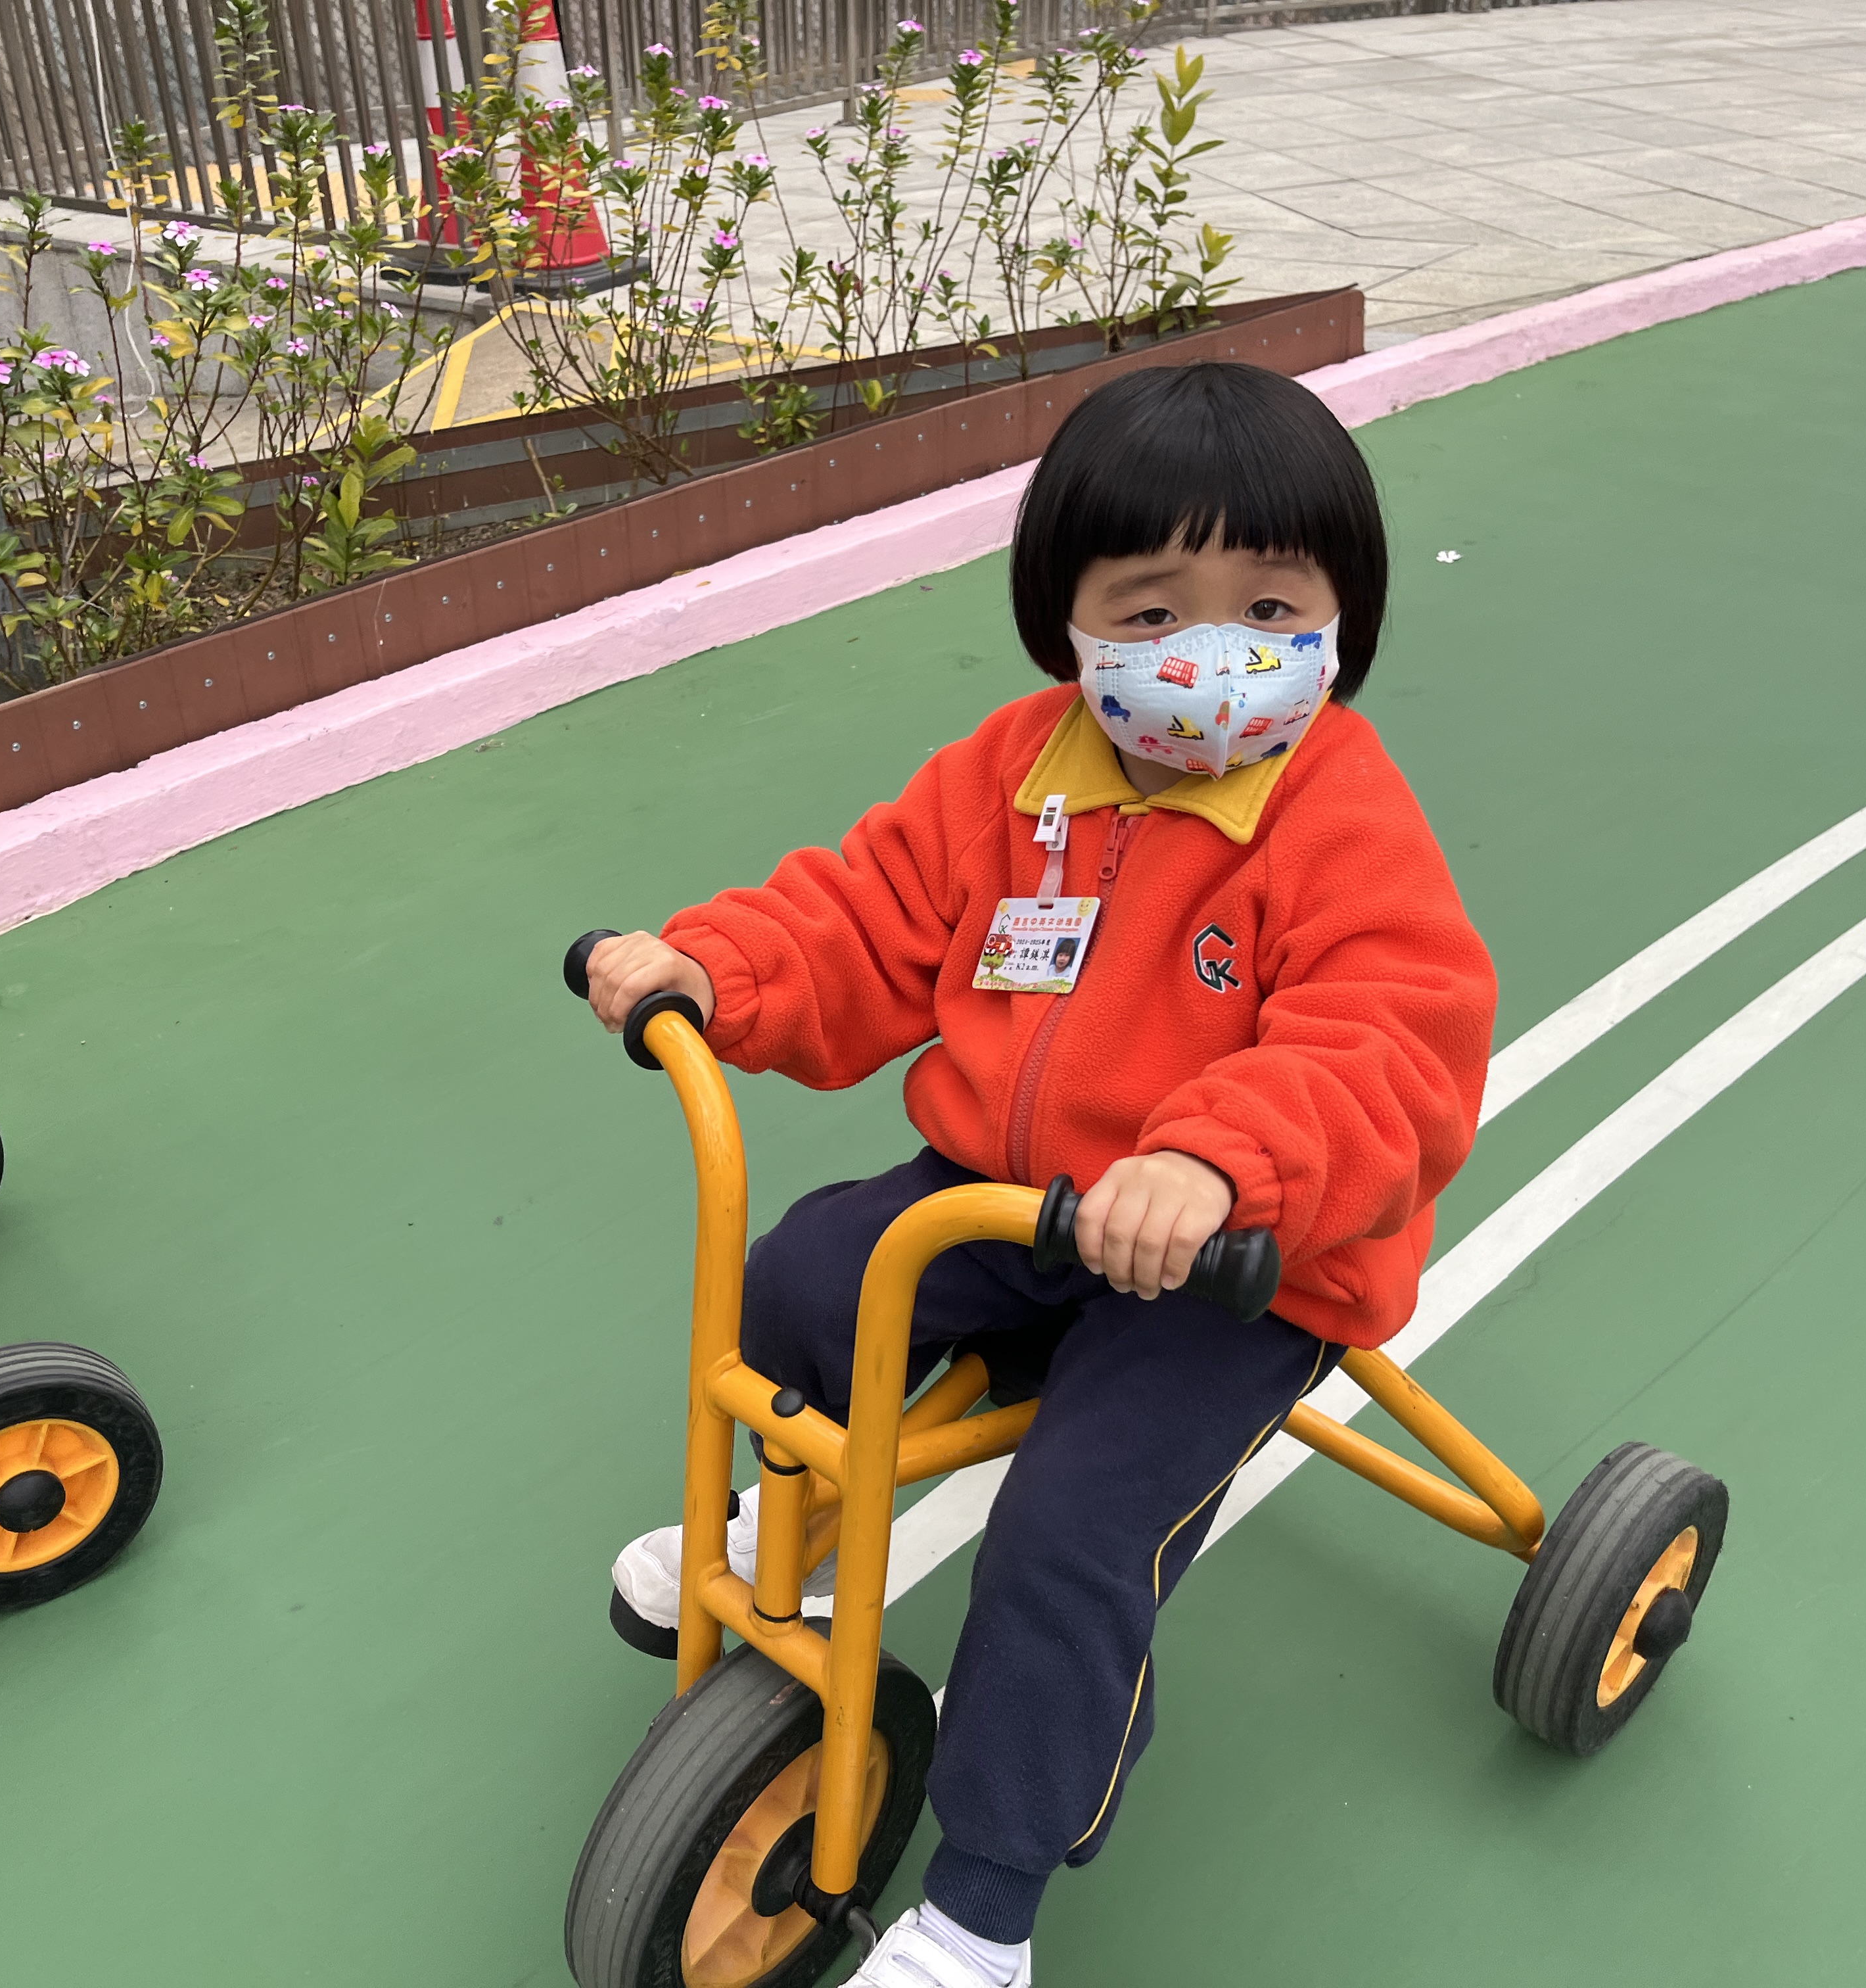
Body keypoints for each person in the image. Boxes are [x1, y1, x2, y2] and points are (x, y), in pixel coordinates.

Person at [582, 362, 1497, 1987]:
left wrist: (1218, 1163)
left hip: (1237, 1267)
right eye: (1151, 610)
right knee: (803, 1278)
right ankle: (780, 1524)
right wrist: (718, 969)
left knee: (1072, 1534)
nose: (1210, 654)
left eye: (1269, 607)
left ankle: (980, 1915)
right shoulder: (1019, 775)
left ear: (1340, 617)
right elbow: (865, 917)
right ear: (1064, 622)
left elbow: (1390, 1042)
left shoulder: (1339, 816)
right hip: (1010, 1204)